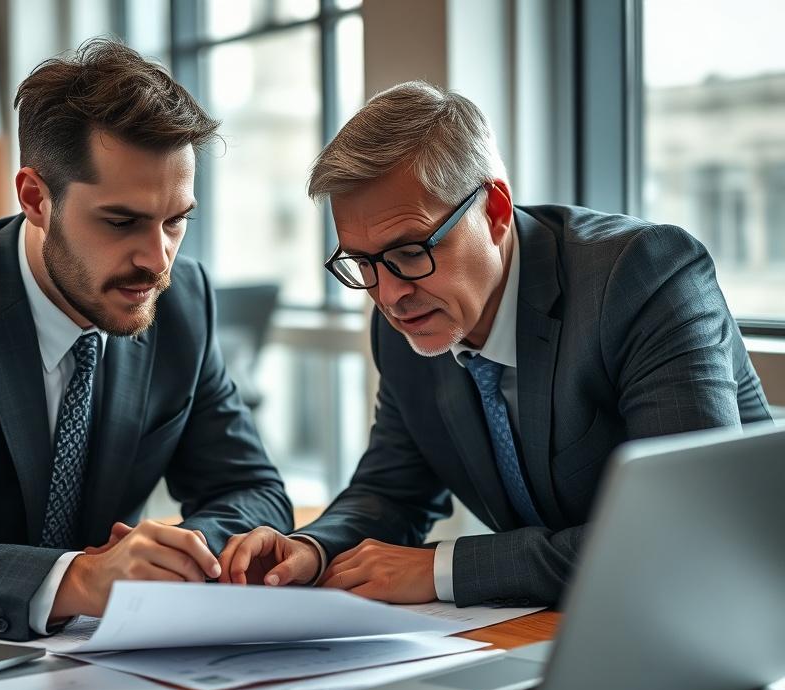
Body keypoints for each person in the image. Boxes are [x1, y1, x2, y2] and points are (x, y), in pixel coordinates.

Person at [219, 82, 772, 607]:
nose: (388, 296)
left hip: (729, 616)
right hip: (558, 624)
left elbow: (682, 536)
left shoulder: (641, 277)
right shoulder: (409, 321)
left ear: (496, 212)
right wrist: (311, 550)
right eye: (362, 263)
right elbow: (392, 492)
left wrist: (444, 569)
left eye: (411, 252)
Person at [0, 39, 293, 641]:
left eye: (176, 220)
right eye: (122, 221)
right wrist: (79, 578)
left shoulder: (184, 302)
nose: (157, 260)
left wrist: (181, 555)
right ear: (36, 198)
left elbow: (252, 490)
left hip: (108, 659)